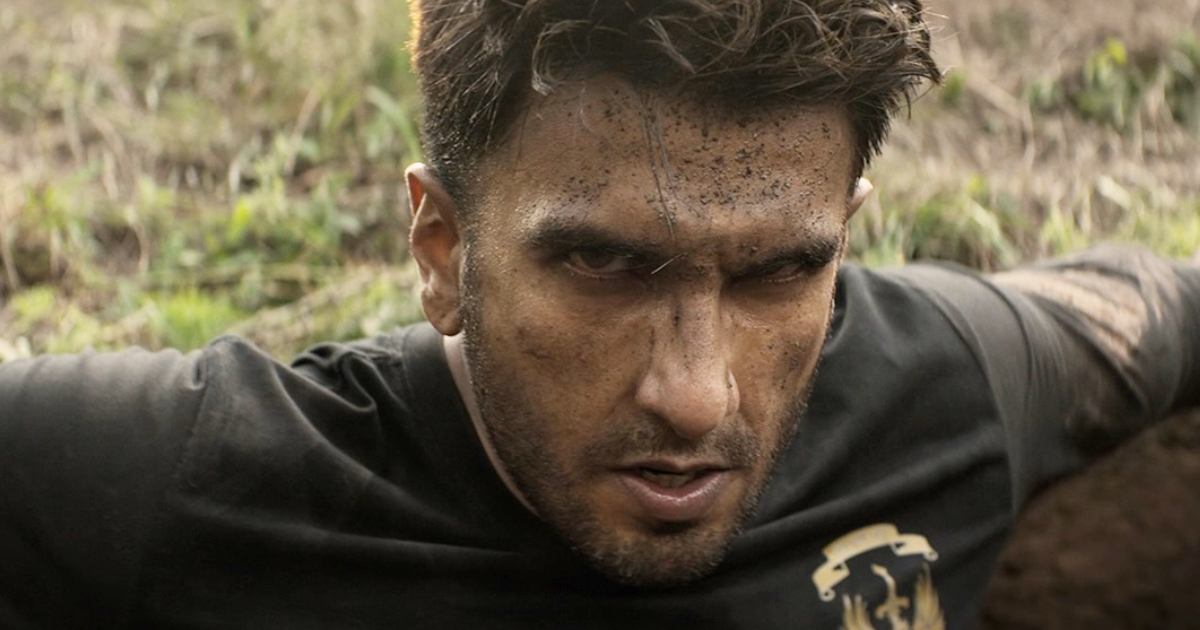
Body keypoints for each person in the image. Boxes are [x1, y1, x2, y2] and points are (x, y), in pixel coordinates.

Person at [1, 1, 1197, 628]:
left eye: (777, 273)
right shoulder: (205, 482)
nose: (697, 397)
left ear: (846, 232)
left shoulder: (955, 384)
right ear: (442, 249)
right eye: (607, 267)